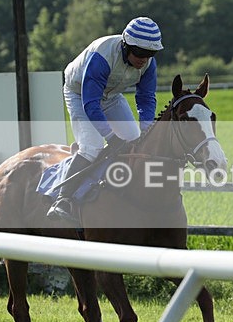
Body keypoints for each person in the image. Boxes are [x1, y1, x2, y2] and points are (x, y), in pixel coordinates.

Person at [47, 16, 164, 223]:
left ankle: (127, 193)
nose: (143, 59)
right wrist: (110, 136)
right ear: (126, 45)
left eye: (150, 54)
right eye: (139, 53)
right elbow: (91, 103)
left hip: (111, 96)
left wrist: (146, 130)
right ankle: (62, 199)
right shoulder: (102, 56)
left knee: (136, 142)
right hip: (80, 94)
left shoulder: (148, 65)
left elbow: (146, 98)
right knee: (92, 147)